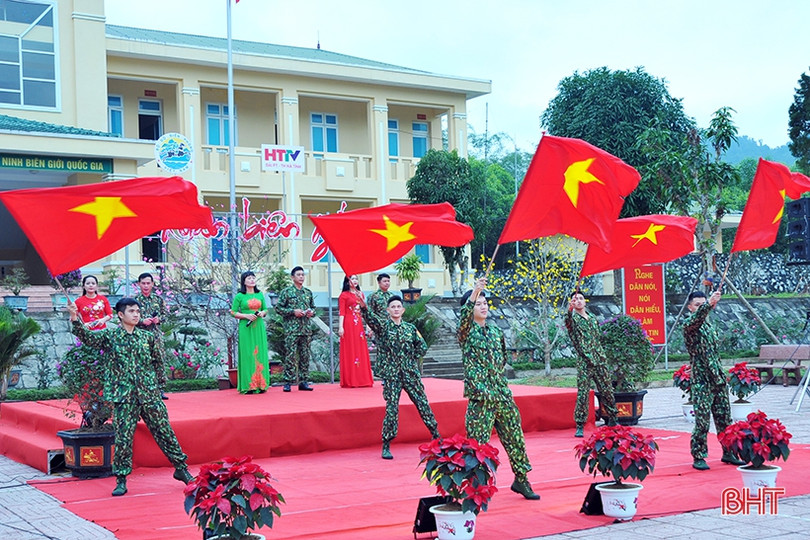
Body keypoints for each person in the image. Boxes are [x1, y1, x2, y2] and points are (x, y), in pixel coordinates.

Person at [67, 298, 193, 497]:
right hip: (123, 395)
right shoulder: (110, 336)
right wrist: (75, 318)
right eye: (132, 311)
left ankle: (181, 468)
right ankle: (121, 479)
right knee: (124, 438)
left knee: (164, 431)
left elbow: (158, 362)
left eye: (138, 311)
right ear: (120, 315)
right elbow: (88, 338)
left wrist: (159, 386)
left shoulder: (146, 337)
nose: (136, 314)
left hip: (149, 393)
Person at [458, 278, 540, 500]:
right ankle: (477, 486)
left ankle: (522, 480)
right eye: (478, 303)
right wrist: (475, 291)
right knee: (478, 444)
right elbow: (464, 317)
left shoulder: (495, 331)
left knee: (515, 438)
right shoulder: (465, 332)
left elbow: (502, 358)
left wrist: (498, 383)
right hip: (481, 397)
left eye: (485, 303)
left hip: (501, 394)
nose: (483, 306)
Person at [357, 291, 440, 459]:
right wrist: (364, 307)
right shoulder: (383, 327)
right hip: (392, 374)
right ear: (388, 310)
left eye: (398, 307)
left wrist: (411, 358)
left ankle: (436, 434)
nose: (396, 309)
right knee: (392, 408)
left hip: (410, 373)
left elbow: (422, 346)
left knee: (422, 403)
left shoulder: (410, 329)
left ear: (403, 310)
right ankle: (386, 443)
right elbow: (371, 319)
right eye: (393, 307)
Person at [683, 290, 746, 471]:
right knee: (702, 422)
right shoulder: (689, 324)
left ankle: (729, 451)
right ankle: (699, 455)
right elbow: (696, 321)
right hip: (702, 380)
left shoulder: (710, 326)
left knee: (724, 418)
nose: (701, 307)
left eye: (704, 304)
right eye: (697, 305)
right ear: (690, 307)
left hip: (717, 379)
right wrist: (708, 304)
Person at [565, 290, 618, 437]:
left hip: (599, 359)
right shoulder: (573, 320)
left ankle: (613, 417)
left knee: (607, 388)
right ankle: (580, 424)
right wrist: (569, 310)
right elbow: (567, 321)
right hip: (585, 361)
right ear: (573, 303)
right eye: (576, 299)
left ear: (585, 301)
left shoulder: (593, 319)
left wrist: (601, 355)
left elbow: (597, 338)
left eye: (581, 298)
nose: (579, 301)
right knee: (583, 392)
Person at [275, 266, 315, 392]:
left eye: (303, 275)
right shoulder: (286, 292)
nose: (301, 277)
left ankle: (304, 381)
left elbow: (313, 307)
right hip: (292, 329)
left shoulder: (308, 292)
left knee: (305, 356)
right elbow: (278, 308)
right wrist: (293, 311)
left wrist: (311, 312)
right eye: (298, 275)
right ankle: (288, 381)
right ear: (293, 277)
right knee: (290, 356)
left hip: (305, 329)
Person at [230, 271, 270, 394]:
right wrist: (246, 316)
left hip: (258, 326)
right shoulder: (239, 296)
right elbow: (233, 312)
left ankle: (261, 384)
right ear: (244, 281)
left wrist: (262, 313)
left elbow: (265, 309)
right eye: (249, 278)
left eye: (253, 278)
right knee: (248, 354)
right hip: (246, 327)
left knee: (260, 353)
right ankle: (248, 385)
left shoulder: (260, 295)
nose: (252, 280)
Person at [135, 272, 169, 400]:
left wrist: (158, 319)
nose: (146, 286)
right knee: (141, 361)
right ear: (139, 284)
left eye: (148, 283)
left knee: (159, 360)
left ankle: (160, 389)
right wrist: (141, 321)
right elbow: (127, 318)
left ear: (153, 284)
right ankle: (142, 389)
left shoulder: (158, 299)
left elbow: (166, 315)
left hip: (155, 335)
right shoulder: (134, 300)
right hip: (140, 335)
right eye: (143, 283)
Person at [338, 275, 374, 388]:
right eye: (352, 279)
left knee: (360, 349)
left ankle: (362, 379)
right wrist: (340, 327)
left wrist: (368, 325)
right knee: (351, 349)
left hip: (358, 325)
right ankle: (350, 380)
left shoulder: (360, 294)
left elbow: (364, 310)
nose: (355, 281)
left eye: (356, 279)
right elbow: (342, 312)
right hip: (348, 324)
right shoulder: (343, 295)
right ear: (347, 282)